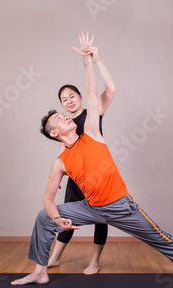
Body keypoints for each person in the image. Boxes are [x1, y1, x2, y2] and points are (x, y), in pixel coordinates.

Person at [11, 32, 173, 287]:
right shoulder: (60, 162)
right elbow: (47, 199)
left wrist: (88, 59)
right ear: (54, 133)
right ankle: (40, 271)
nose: (65, 115)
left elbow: (91, 91)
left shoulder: (91, 131)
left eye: (63, 113)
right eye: (58, 118)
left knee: (160, 238)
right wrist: (57, 219)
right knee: (43, 216)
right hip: (90, 207)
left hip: (121, 205)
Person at [48, 44, 116, 275]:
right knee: (66, 215)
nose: (68, 101)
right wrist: (55, 177)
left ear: (79, 97)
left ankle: (95, 261)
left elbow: (111, 90)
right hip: (77, 180)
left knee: (101, 219)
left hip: (98, 177)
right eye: (63, 100)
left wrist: (94, 59)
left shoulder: (92, 113)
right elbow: (62, 155)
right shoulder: (65, 126)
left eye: (71, 96)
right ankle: (55, 257)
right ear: (62, 106)